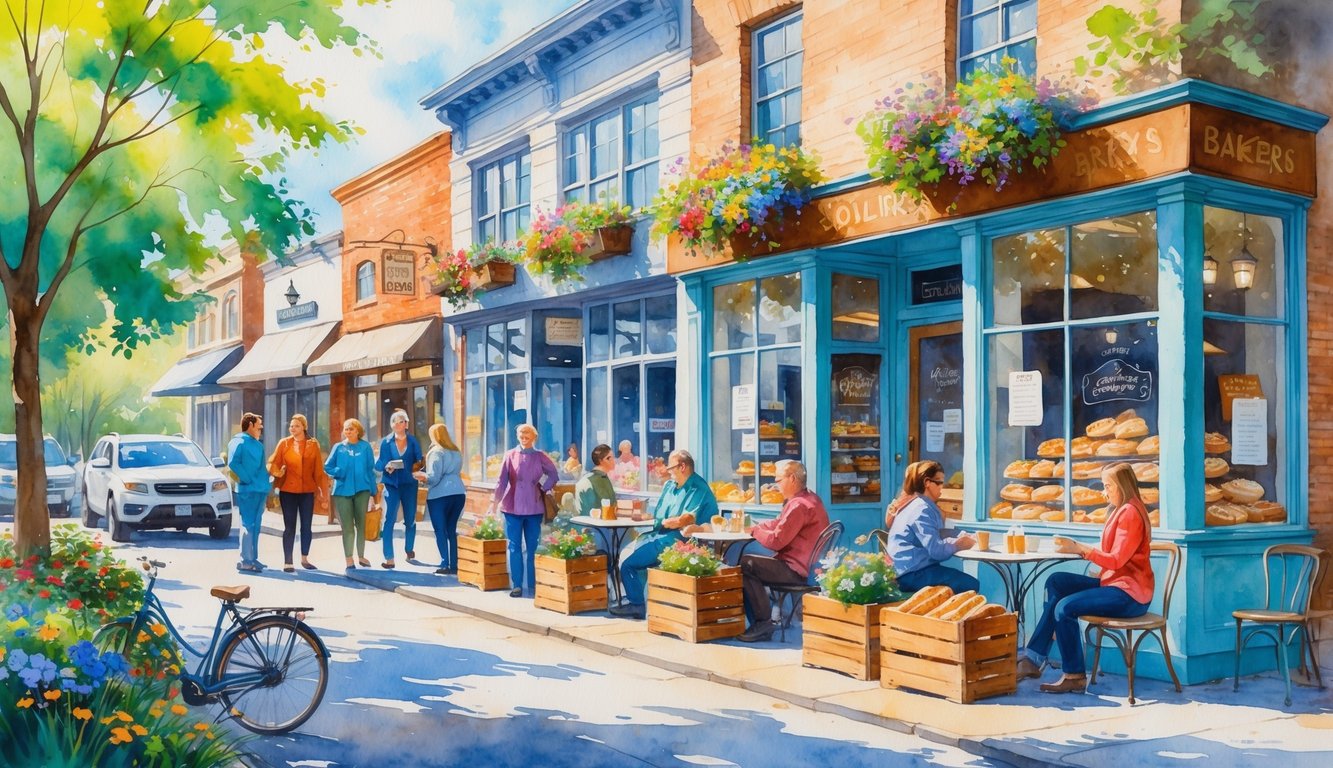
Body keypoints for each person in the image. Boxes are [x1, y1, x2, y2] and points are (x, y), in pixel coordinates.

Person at [1017, 462, 1155, 694]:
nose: (1104, 492)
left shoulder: (1130, 512)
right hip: (1116, 585)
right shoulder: (1122, 508)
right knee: (1056, 581)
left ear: (1122, 486)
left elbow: (1116, 560)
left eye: (1108, 486)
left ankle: (1074, 675)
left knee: (1064, 609)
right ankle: (1035, 656)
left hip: (1130, 596)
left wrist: (1079, 548)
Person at [611, 449, 718, 619]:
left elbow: (685, 519)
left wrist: (665, 521)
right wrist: (650, 518)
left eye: (671, 468)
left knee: (628, 565)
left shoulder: (698, 487)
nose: (668, 471)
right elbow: (659, 516)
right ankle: (639, 601)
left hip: (681, 540)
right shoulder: (670, 486)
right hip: (661, 534)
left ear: (682, 467)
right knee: (629, 552)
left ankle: (637, 605)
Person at [736, 460, 830, 642]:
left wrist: (755, 531)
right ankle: (766, 620)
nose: (775, 486)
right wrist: (759, 527)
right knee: (751, 563)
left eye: (778, 480)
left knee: (747, 563)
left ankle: (763, 623)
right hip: (808, 567)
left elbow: (776, 541)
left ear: (792, 478)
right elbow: (780, 523)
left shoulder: (798, 505)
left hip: (798, 571)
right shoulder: (810, 498)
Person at [885, 460, 977, 594]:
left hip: (907, 571)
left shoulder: (916, 504)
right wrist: (958, 545)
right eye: (939, 482)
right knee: (969, 584)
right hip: (911, 574)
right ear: (927, 482)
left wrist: (958, 535)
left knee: (961, 581)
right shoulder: (922, 509)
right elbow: (936, 551)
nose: (942, 487)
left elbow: (935, 533)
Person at [492, 423, 559, 598]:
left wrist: (543, 487)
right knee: (514, 546)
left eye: (527, 435)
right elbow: (501, 481)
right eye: (521, 435)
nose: (524, 438)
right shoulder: (510, 455)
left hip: (534, 507)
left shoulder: (540, 456)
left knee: (532, 547)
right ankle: (517, 585)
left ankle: (533, 585)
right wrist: (495, 503)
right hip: (511, 507)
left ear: (534, 437)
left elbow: (554, 475)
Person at [268, 414, 328, 573]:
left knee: (306, 526)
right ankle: (288, 561)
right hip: (288, 490)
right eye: (291, 426)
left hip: (307, 490)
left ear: (304, 427)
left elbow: (319, 470)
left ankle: (304, 558)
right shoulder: (284, 443)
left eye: (296, 426)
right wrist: (278, 472)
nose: (292, 428)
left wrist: (323, 493)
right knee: (289, 526)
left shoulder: (313, 444)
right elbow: (272, 463)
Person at [413, 423, 466, 576]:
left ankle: (444, 563)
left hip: (440, 495)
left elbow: (433, 478)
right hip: (458, 492)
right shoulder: (456, 451)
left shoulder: (436, 452)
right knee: (451, 530)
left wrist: (419, 476)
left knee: (440, 530)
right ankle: (454, 564)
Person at [324, 418, 377, 570]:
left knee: (361, 525)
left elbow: (370, 470)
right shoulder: (338, 447)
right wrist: (338, 472)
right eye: (346, 429)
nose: (348, 431)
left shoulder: (365, 447)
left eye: (351, 429)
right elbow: (327, 466)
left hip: (362, 490)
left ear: (358, 431)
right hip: (342, 491)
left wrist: (373, 493)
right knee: (347, 527)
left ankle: (361, 556)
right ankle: (349, 559)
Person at [375, 409, 424, 569]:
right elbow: (380, 463)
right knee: (389, 519)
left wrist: (416, 467)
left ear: (406, 424)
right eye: (395, 422)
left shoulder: (413, 441)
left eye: (402, 421)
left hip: (409, 484)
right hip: (392, 484)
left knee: (410, 519)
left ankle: (409, 549)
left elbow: (419, 460)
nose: (398, 424)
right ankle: (389, 558)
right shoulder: (386, 442)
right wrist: (387, 466)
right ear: (392, 425)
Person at [226, 413, 269, 573]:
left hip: (260, 489)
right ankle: (246, 560)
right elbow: (233, 463)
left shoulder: (257, 444)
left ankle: (253, 558)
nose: (261, 428)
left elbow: (262, 467)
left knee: (255, 525)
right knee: (248, 524)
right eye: (258, 425)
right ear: (250, 425)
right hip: (249, 489)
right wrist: (247, 479)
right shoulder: (238, 441)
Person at [574, 444, 616, 517]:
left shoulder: (603, 477)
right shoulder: (592, 480)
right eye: (609, 458)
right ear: (600, 461)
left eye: (613, 458)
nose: (613, 461)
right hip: (592, 521)